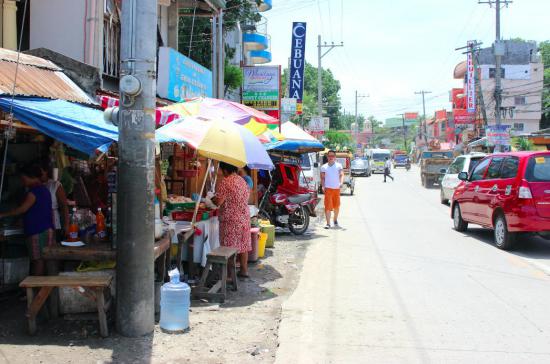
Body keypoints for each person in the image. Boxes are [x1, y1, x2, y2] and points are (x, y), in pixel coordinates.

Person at [0, 164, 54, 275]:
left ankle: (35, 288)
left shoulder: (33, 192)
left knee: (38, 261)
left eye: (23, 178)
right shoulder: (44, 190)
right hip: (46, 229)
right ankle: (40, 288)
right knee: (43, 260)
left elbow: (23, 209)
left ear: (31, 176)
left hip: (37, 231)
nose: (22, 180)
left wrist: (3, 215)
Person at [215, 162, 252, 278]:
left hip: (231, 220)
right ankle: (244, 270)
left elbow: (218, 202)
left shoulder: (226, 182)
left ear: (225, 170)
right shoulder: (242, 181)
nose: (220, 172)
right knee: (243, 245)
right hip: (244, 218)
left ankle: (230, 275)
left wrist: (212, 200)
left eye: (221, 170)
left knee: (229, 247)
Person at [39, 164, 70, 241]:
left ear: (46, 171)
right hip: (39, 224)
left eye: (40, 172)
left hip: (54, 223)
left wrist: (66, 225)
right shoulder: (36, 186)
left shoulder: (55, 185)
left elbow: (64, 206)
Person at [320, 150, 344, 229]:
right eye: (329, 156)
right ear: (327, 157)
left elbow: (341, 175)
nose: (331, 157)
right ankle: (328, 223)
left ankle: (335, 219)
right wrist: (323, 186)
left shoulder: (339, 166)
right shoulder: (324, 167)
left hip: (336, 189)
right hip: (328, 189)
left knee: (336, 206)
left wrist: (341, 183)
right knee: (327, 206)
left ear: (335, 157)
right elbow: (322, 178)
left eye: (332, 156)